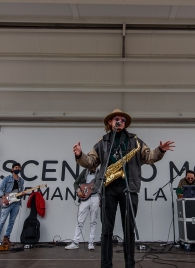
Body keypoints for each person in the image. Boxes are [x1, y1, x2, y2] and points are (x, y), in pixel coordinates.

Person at [73, 109, 174, 268]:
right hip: (108, 190)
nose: (120, 121)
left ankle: (130, 265)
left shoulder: (135, 141)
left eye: (122, 120)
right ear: (110, 123)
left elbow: (149, 157)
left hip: (129, 188)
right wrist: (80, 155)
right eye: (116, 119)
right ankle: (106, 265)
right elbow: (91, 161)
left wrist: (160, 150)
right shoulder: (103, 141)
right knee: (106, 231)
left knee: (129, 231)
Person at [65, 168, 100, 250]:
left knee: (93, 221)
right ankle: (75, 242)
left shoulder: (100, 172)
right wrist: (78, 191)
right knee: (80, 221)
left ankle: (91, 243)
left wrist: (101, 198)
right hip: (84, 199)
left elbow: (103, 185)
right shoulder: (85, 172)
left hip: (95, 198)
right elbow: (76, 183)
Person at [0, 162, 26, 245]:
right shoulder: (7, 179)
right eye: (15, 167)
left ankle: (6, 237)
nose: (17, 169)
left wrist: (22, 194)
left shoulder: (21, 181)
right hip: (7, 202)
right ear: (12, 169)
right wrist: (4, 198)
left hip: (16, 203)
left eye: (18, 167)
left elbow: (19, 192)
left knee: (11, 221)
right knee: (2, 221)